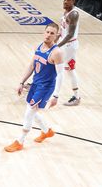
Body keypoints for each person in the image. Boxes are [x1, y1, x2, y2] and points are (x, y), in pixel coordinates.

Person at [5, 22, 63, 152]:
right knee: (32, 110)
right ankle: (46, 131)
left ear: (56, 36)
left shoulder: (57, 52)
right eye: (47, 32)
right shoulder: (40, 46)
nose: (48, 35)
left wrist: (56, 95)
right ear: (44, 32)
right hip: (35, 84)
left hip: (45, 87)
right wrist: (21, 82)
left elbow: (60, 75)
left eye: (52, 33)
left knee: (29, 112)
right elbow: (32, 65)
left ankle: (20, 141)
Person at [53, 0, 81, 107]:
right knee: (67, 69)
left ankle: (75, 96)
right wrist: (57, 37)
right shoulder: (66, 11)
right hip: (65, 44)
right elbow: (63, 29)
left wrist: (58, 45)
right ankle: (76, 96)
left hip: (69, 45)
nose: (65, 2)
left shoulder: (73, 14)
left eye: (68, 0)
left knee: (66, 69)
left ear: (73, 2)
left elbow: (70, 34)